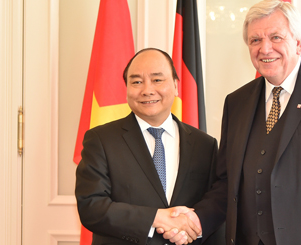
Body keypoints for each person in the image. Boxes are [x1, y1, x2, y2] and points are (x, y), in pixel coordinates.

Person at [167, 0, 301, 244]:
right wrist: (197, 220)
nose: (265, 48)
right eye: (255, 40)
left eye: (276, 37)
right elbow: (227, 184)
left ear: (298, 43)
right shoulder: (236, 102)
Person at [75, 48, 225, 245]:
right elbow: (91, 206)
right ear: (126, 88)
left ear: (176, 85)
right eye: (136, 82)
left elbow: (215, 205)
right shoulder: (101, 140)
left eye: (157, 80)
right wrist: (155, 218)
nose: (147, 90)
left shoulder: (204, 144)